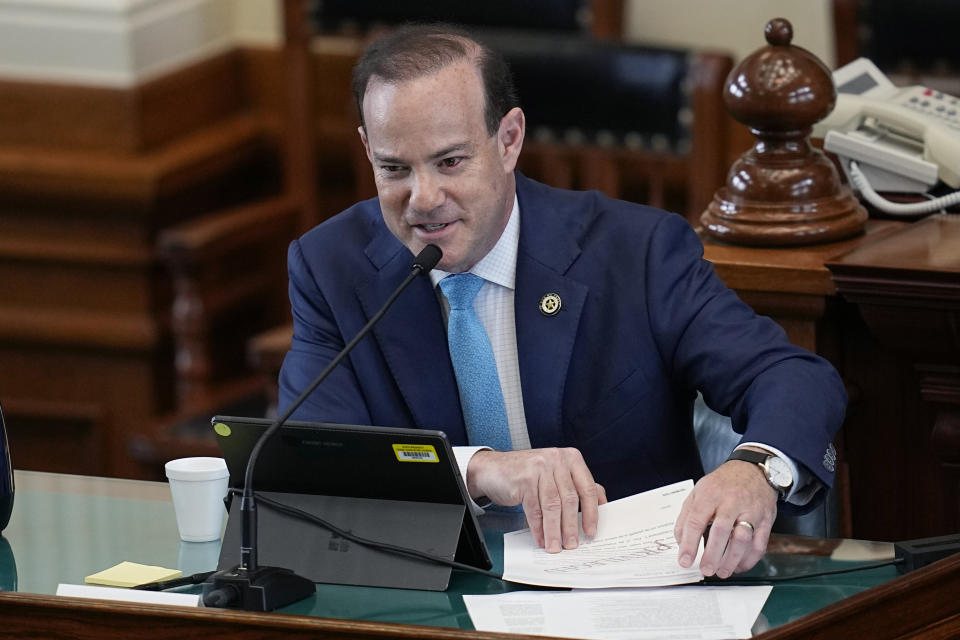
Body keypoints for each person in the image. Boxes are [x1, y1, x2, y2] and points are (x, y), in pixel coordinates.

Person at [278, 24, 846, 580]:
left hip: (629, 590)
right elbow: (315, 455)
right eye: (394, 168)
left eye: (450, 162)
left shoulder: (634, 253)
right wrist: (479, 469)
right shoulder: (332, 267)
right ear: (366, 149)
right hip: (432, 595)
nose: (423, 200)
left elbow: (791, 375)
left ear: (508, 140)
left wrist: (754, 469)